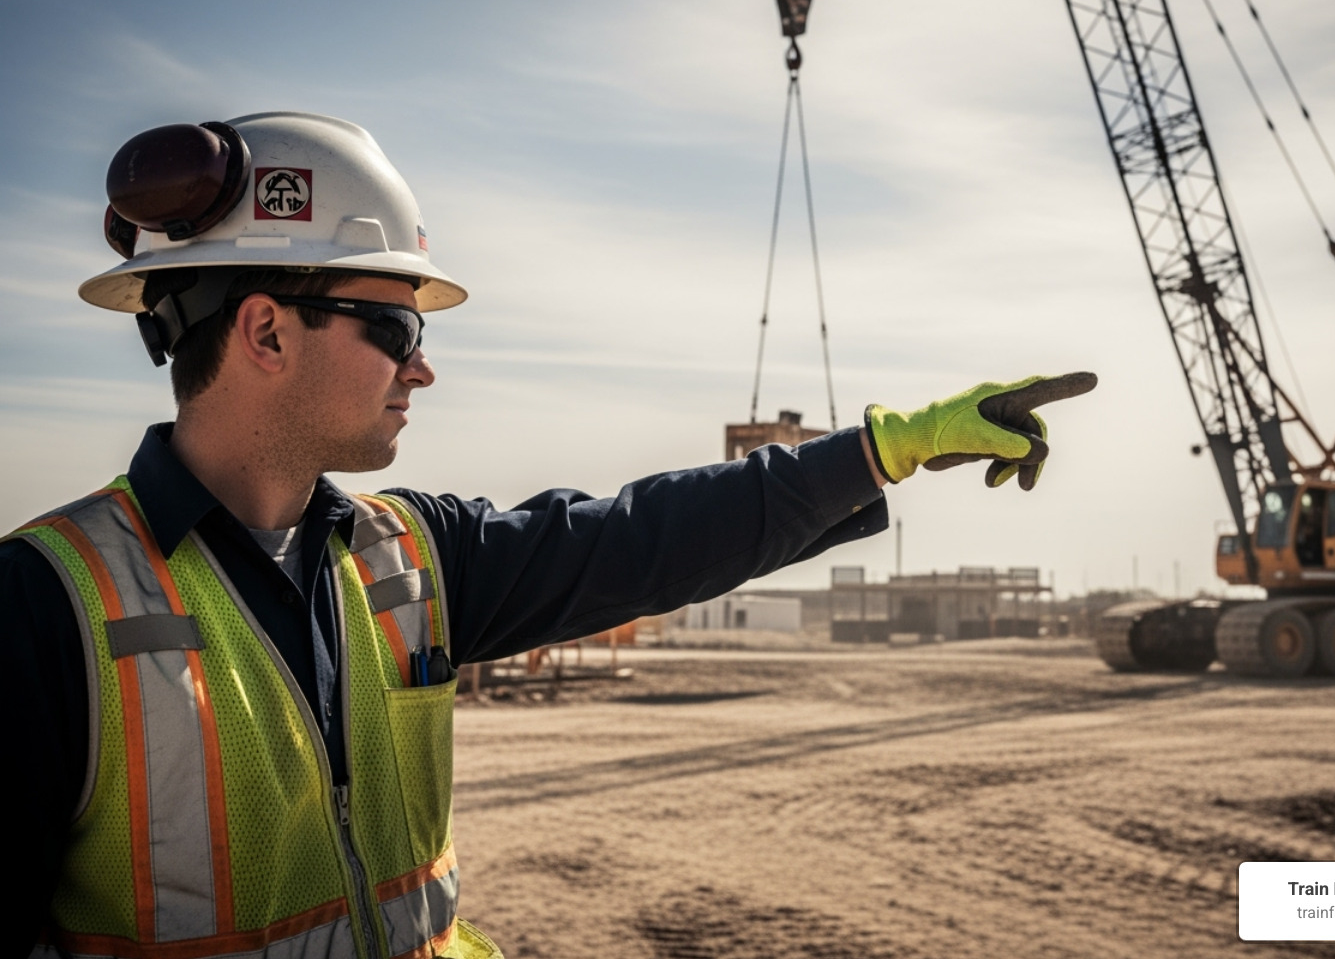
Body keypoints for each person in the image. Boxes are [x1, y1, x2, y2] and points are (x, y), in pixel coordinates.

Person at [2, 112, 1094, 959]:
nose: (422, 365)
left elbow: (644, 538)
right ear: (266, 329)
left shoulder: (408, 555)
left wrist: (883, 450)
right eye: (397, 327)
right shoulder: (44, 607)